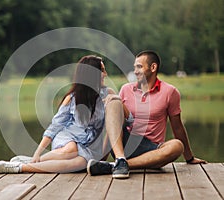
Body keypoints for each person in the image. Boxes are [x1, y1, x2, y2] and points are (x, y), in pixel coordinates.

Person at [87, 50, 207, 179]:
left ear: (153, 67)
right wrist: (100, 159)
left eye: (139, 67)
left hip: (153, 150)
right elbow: (113, 124)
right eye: (134, 67)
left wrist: (189, 158)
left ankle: (115, 166)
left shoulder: (170, 92)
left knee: (177, 146)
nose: (135, 71)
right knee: (114, 103)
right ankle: (118, 161)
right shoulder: (126, 89)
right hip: (125, 144)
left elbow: (177, 127)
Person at [0, 55, 115, 174]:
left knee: (80, 164)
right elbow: (55, 126)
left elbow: (118, 121)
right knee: (71, 149)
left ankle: (25, 165)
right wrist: (38, 151)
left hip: (90, 145)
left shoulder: (108, 94)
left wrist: (116, 99)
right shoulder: (72, 98)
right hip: (68, 138)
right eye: (102, 70)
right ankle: (25, 164)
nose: (105, 74)